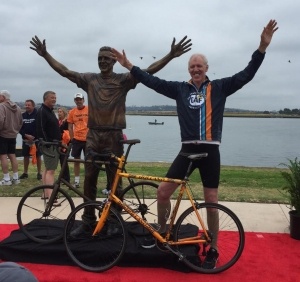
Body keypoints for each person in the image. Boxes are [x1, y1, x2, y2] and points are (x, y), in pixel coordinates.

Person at [112, 19, 278, 268]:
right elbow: (152, 82)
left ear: (207, 68)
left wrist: (262, 48)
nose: (195, 69)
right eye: (192, 66)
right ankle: (163, 233)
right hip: (187, 150)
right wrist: (130, 66)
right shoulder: (180, 89)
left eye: (199, 65)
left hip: (210, 150)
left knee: (211, 201)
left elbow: (247, 74)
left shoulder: (220, 87)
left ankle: (213, 248)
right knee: (162, 192)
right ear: (188, 69)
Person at [29, 34, 192, 234]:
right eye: (100, 58)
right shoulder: (90, 80)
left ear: (115, 61)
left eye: (107, 58)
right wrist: (46, 55)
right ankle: (88, 219)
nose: (103, 61)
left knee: (115, 180)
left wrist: (170, 55)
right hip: (94, 136)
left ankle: (114, 220)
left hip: (114, 137)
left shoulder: (123, 80)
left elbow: (148, 72)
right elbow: (65, 71)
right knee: (89, 179)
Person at [36, 91, 61, 202]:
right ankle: (51, 197)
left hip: (53, 144)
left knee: (47, 169)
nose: (54, 99)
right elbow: (40, 129)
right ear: (45, 98)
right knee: (51, 171)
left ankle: (45, 194)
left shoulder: (49, 111)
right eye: (52, 97)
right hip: (49, 145)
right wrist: (46, 143)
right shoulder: (42, 111)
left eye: (55, 97)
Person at [0, 90, 23, 185]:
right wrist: (16, 130)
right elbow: (21, 122)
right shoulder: (17, 107)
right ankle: (16, 177)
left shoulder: (2, 106)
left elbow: (0, 120)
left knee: (3, 156)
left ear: (3, 97)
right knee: (12, 155)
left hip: (3, 134)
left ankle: (6, 179)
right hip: (13, 135)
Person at [67, 93, 88, 188]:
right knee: (76, 160)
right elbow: (70, 127)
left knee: (89, 161)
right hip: (77, 139)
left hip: (88, 139)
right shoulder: (72, 112)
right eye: (77, 99)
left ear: (83, 100)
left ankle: (88, 181)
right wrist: (72, 139)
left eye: (80, 99)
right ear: (75, 101)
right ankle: (76, 181)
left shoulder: (89, 109)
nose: (78, 101)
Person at [19, 99, 43, 180]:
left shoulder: (38, 115)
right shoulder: (23, 116)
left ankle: (39, 173)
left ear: (33, 106)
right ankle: (25, 173)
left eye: (29, 105)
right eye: (26, 105)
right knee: (25, 156)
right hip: (26, 140)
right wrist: (25, 135)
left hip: (36, 140)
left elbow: (40, 128)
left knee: (38, 156)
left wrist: (33, 137)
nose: (27, 106)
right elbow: (19, 128)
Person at [58, 106, 71, 183]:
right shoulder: (59, 121)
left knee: (64, 161)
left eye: (61, 112)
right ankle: (63, 177)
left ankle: (67, 178)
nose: (59, 113)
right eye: (58, 112)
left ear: (64, 113)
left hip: (65, 143)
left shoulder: (66, 122)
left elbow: (68, 133)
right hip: (60, 143)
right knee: (61, 161)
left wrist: (66, 143)